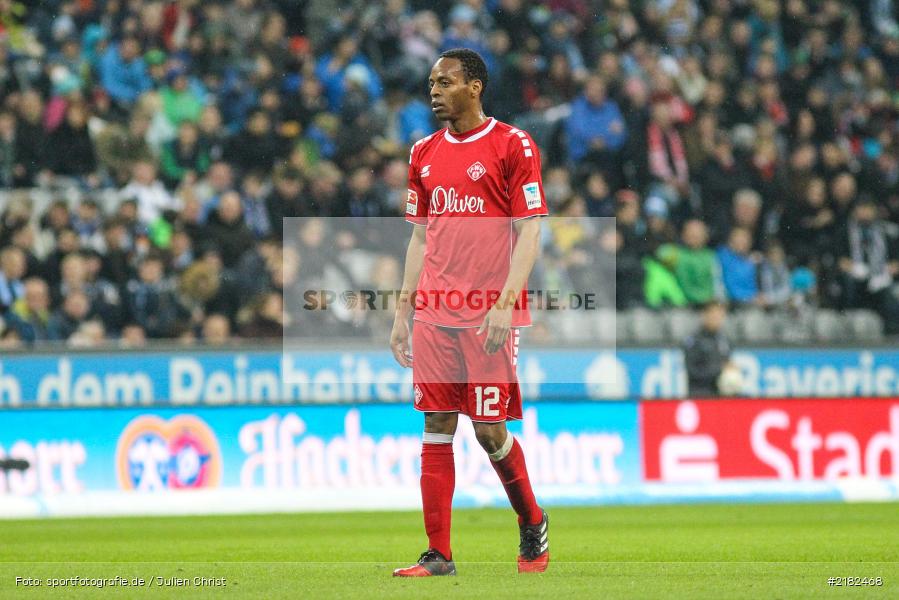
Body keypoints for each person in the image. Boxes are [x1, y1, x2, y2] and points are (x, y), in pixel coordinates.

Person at [390, 48, 549, 577]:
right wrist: (402, 311)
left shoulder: (512, 144)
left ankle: (532, 521)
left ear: (474, 87)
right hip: (435, 310)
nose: (434, 90)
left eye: (445, 82)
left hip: (488, 314)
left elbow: (530, 228)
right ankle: (438, 554)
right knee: (436, 424)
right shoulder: (422, 153)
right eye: (431, 83)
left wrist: (505, 304)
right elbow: (418, 236)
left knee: (487, 431)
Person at [683, 301, 732, 397]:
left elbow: (726, 361)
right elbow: (692, 371)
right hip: (700, 394)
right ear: (705, 315)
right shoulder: (694, 340)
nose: (717, 319)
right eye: (714, 315)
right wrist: (719, 370)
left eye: (720, 316)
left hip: (720, 393)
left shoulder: (724, 339)